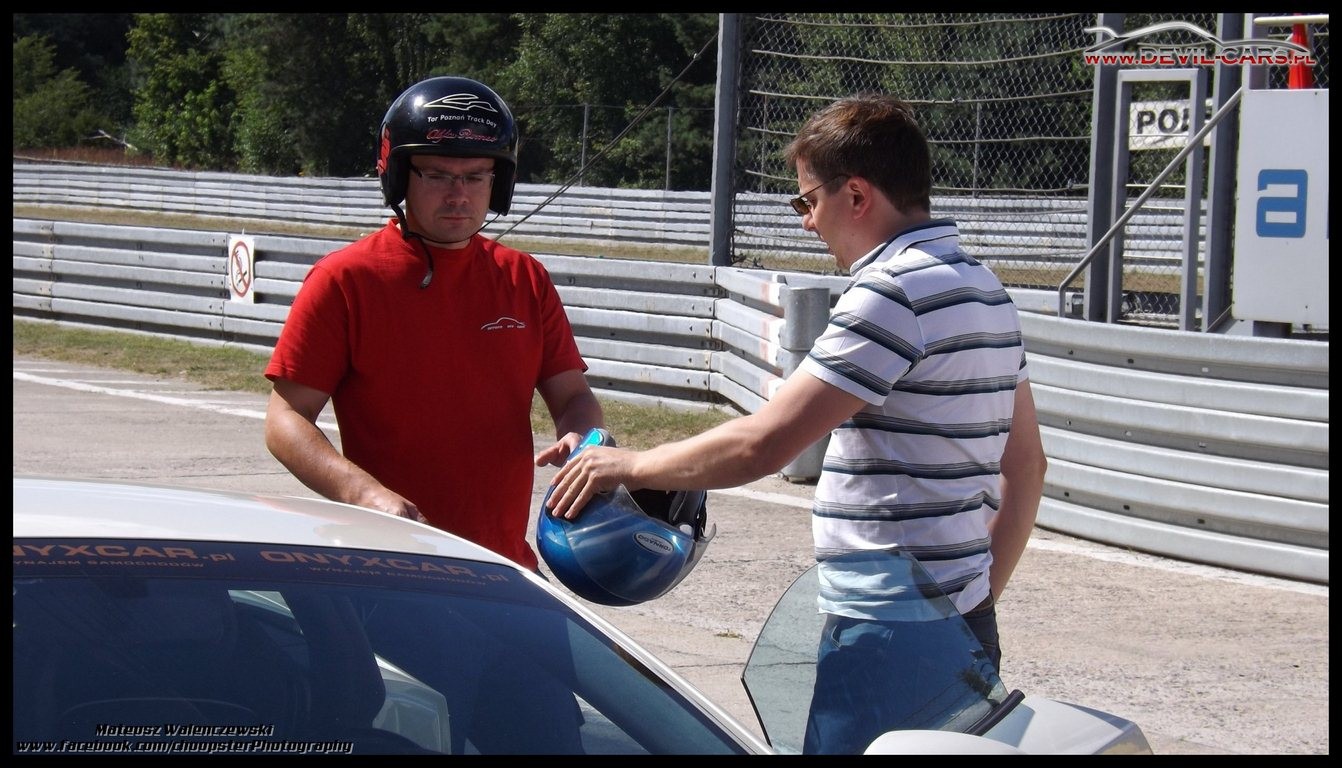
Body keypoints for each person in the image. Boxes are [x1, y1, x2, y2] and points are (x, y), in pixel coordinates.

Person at [540, 93, 1047, 753]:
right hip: (961, 626)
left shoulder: (891, 293)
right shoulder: (983, 287)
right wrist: (968, 606)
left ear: (856, 195)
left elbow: (764, 444)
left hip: (885, 631)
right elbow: (1026, 467)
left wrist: (630, 466)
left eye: (807, 200)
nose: (807, 222)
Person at [265, 75, 605, 573]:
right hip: (388, 563)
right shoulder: (345, 279)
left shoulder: (524, 278)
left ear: (499, 181)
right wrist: (363, 493)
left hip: (502, 565)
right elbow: (285, 421)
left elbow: (573, 396)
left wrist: (582, 437)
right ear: (399, 176)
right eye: (438, 175)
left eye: (476, 176)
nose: (459, 195)